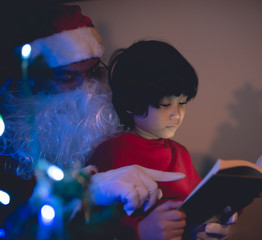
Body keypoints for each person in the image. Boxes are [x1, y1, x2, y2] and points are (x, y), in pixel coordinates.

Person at [0, 3, 184, 239]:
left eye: (93, 71)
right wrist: (86, 191)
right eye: (67, 77)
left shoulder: (118, 125)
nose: (86, 88)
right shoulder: (9, 143)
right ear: (35, 80)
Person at [88, 40, 238, 240]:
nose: (177, 114)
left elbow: (196, 206)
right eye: (165, 104)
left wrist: (209, 221)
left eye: (183, 102)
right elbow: (92, 223)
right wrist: (139, 231)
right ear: (131, 103)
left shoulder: (181, 154)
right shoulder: (111, 152)